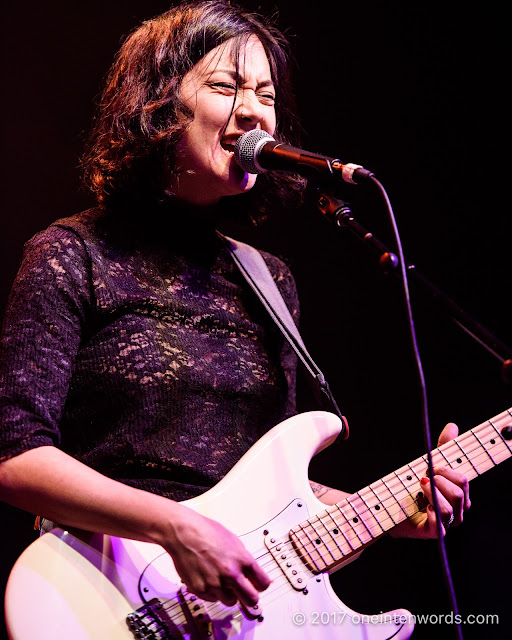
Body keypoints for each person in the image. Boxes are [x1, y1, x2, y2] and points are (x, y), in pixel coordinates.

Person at [0, 0, 469, 613]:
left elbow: (276, 506)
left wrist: (399, 513)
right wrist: (176, 527)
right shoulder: (73, 254)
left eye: (266, 95)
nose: (252, 111)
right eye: (226, 86)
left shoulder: (268, 279)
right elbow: (13, 454)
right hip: (102, 600)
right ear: (158, 108)